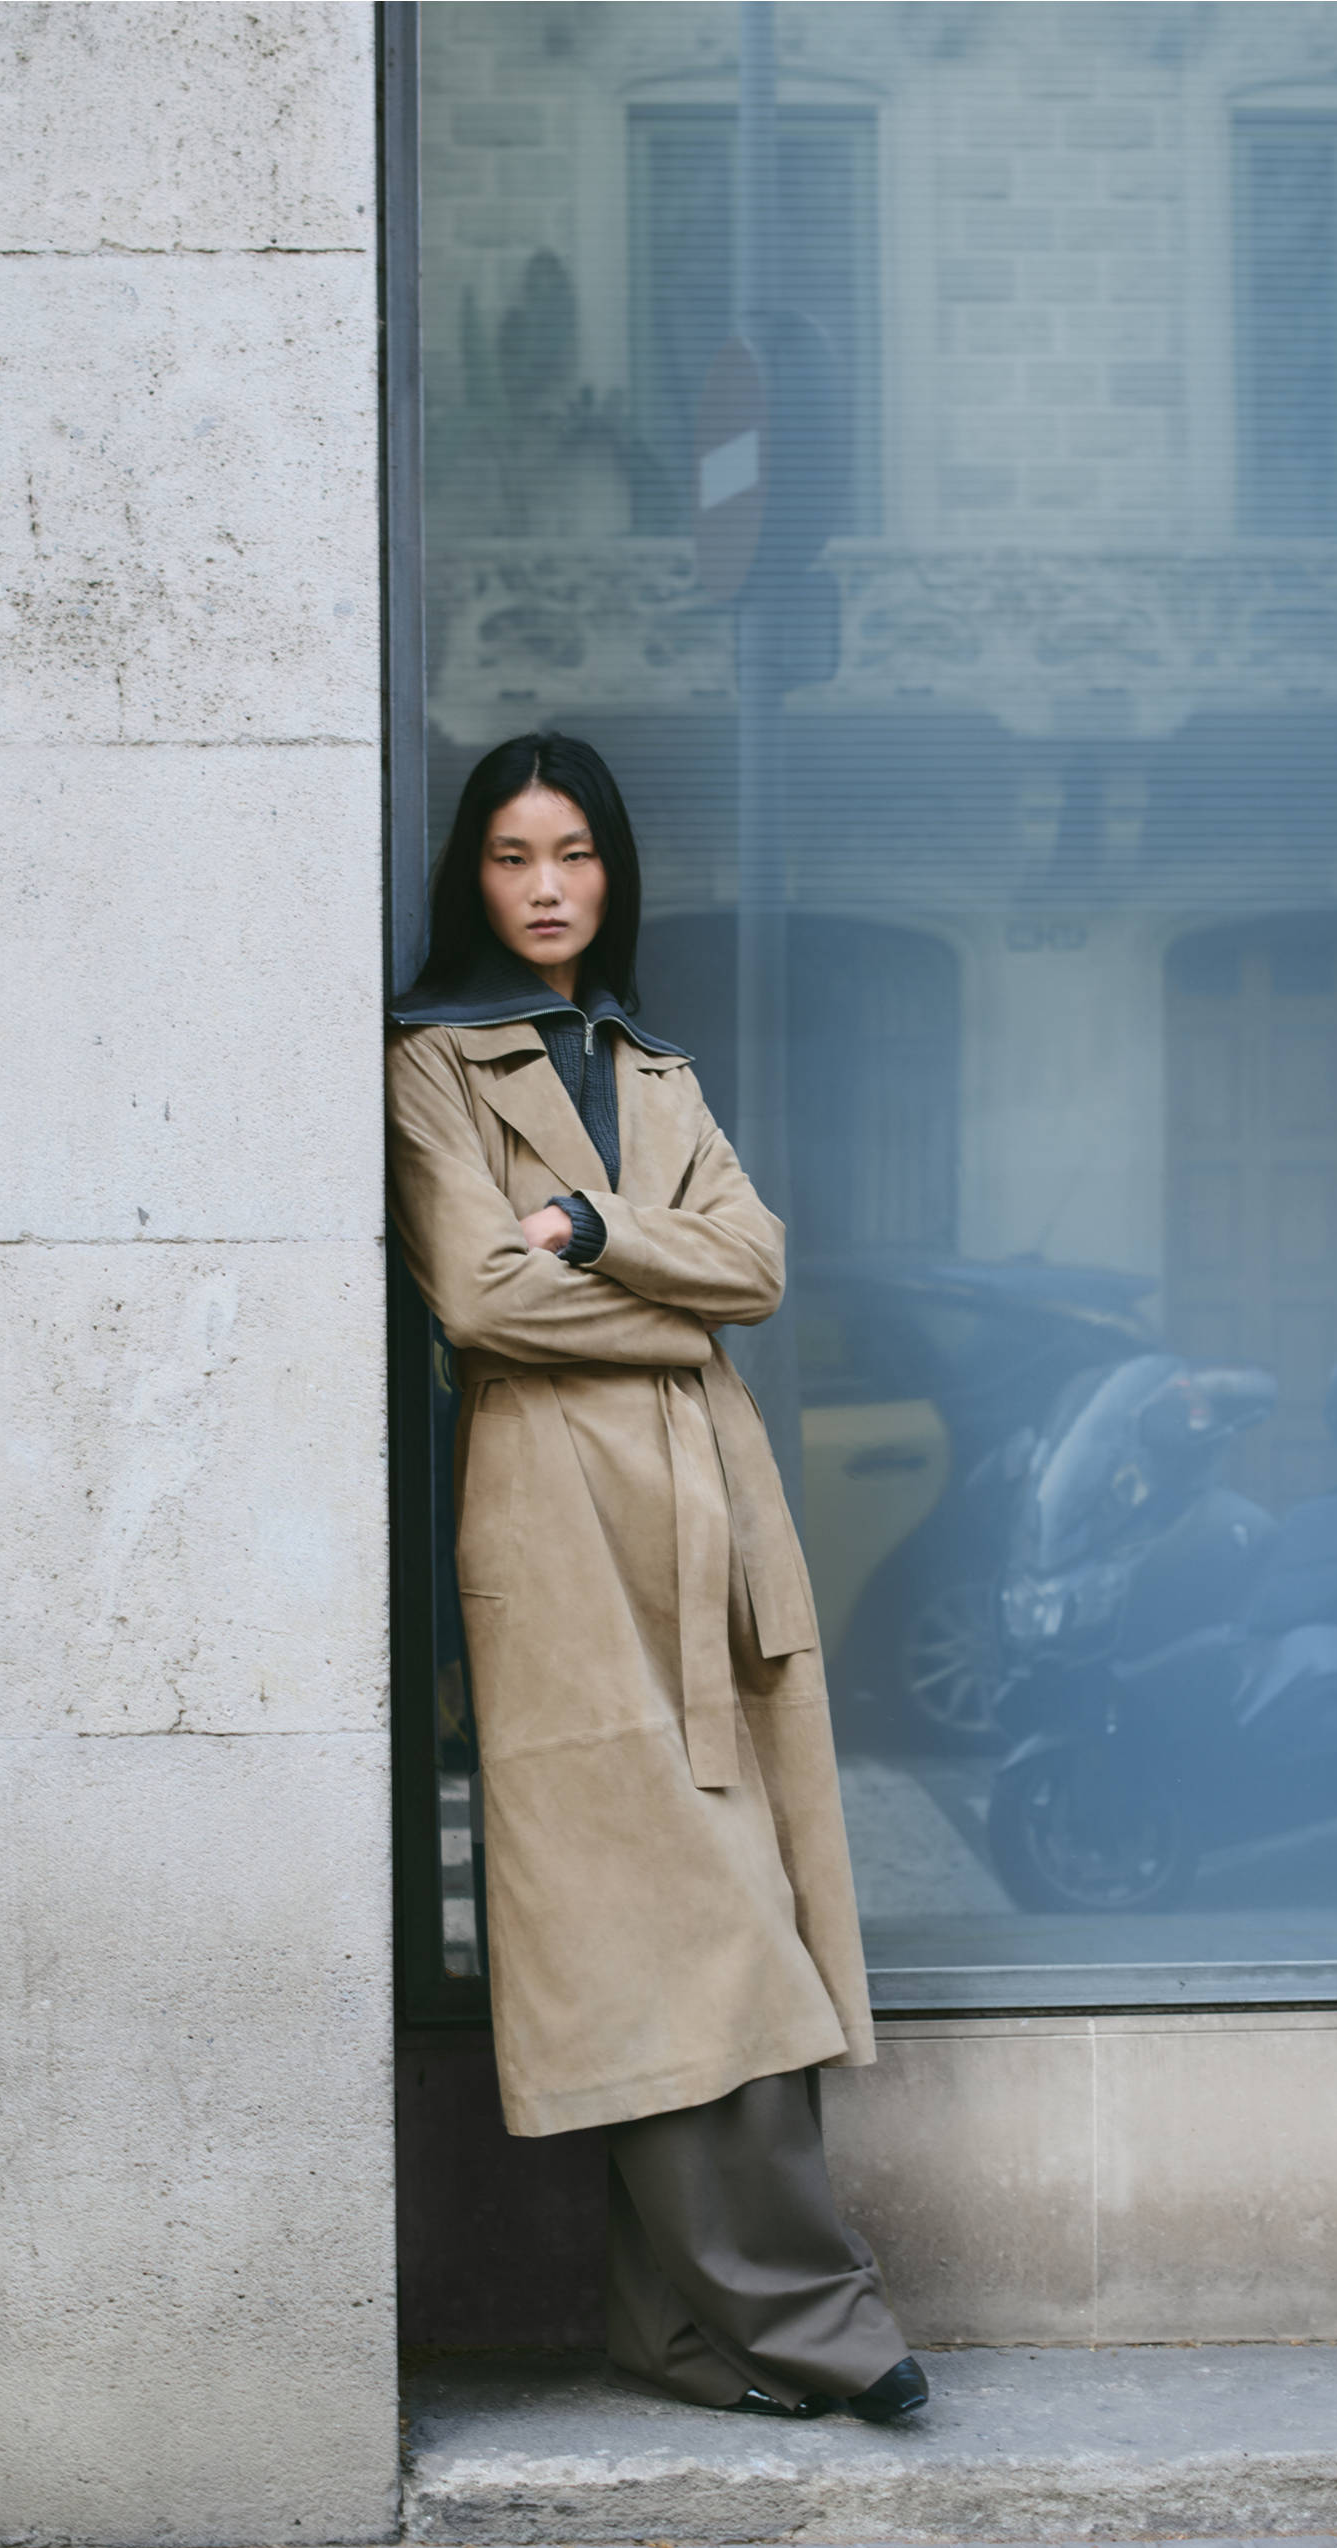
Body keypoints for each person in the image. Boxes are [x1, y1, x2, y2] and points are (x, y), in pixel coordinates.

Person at [386, 731, 926, 2427]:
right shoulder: (431, 1068)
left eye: (576, 857)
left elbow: (757, 1265)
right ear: (470, 877)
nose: (547, 889)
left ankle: (679, 2331)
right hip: (556, 1530)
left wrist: (603, 1236)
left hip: (713, 1520)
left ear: (616, 876)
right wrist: (663, 1288)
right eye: (511, 858)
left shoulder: (659, 1071)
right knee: (678, 1927)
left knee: (730, 1907)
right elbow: (477, 1300)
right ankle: (814, 2320)